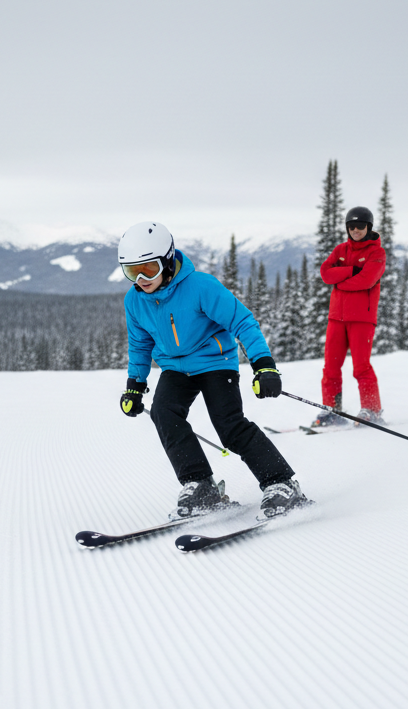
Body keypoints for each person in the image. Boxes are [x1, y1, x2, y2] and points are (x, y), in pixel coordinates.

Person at [117, 221, 306, 518]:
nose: (141, 279)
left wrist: (264, 366)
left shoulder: (200, 287)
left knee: (229, 426)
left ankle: (281, 482)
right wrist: (134, 386)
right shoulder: (135, 300)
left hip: (215, 362)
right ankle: (200, 484)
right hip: (175, 368)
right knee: (163, 413)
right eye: (132, 272)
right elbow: (140, 345)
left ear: (167, 261)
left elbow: (243, 322)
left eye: (149, 269)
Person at [313, 205, 386, 427]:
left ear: (368, 227)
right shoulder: (340, 250)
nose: (356, 230)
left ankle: (371, 410)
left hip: (362, 318)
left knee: (361, 367)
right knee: (330, 367)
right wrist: (351, 271)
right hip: (337, 317)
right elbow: (326, 274)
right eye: (352, 226)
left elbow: (367, 280)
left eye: (360, 226)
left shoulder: (377, 253)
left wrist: (341, 281)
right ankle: (332, 410)